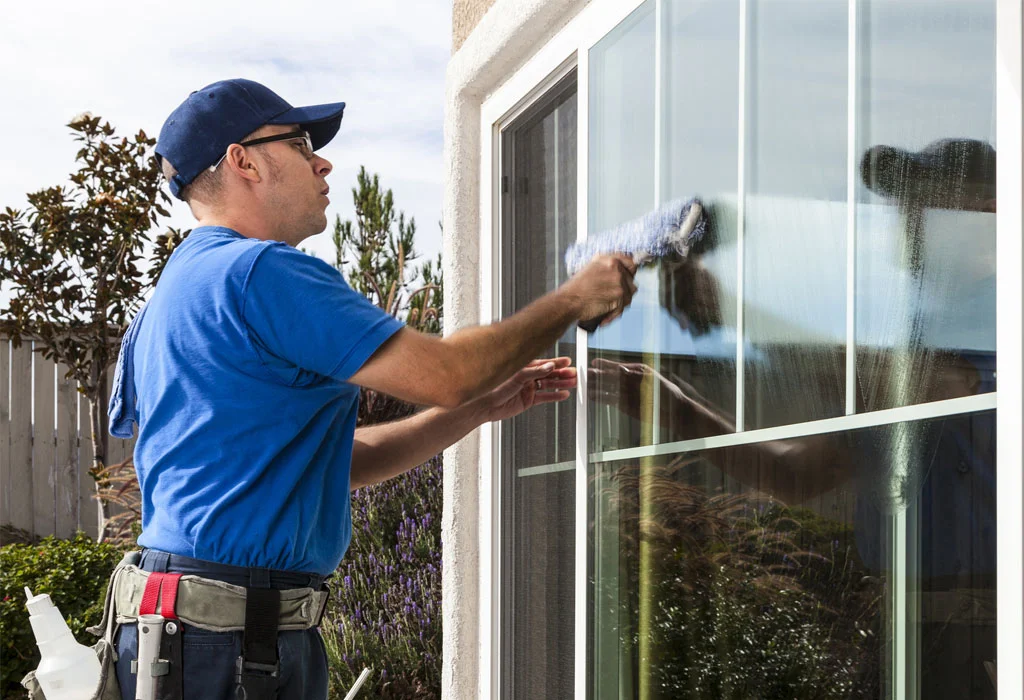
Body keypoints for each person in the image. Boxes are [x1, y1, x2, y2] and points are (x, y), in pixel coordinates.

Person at [104, 78, 638, 700]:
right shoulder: (261, 273)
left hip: (189, 633)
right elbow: (446, 373)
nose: (322, 161)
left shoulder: (170, 296)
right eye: (301, 143)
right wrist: (574, 297)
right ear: (242, 161)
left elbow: (325, 463)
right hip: (227, 643)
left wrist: (474, 410)